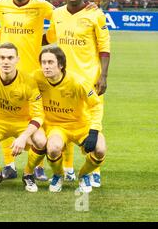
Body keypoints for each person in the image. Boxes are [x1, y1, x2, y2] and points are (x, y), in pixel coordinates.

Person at [0, 0, 54, 181]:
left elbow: (60, 19)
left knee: (36, 117)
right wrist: (1, 36)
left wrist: (44, 40)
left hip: (33, 72)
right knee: (6, 114)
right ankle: (9, 164)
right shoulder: (1, 5)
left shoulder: (41, 6)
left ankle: (38, 166)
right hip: (6, 71)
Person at [44, 0, 110, 187]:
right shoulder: (57, 14)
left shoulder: (95, 14)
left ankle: (95, 170)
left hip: (89, 79)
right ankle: (68, 168)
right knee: (64, 120)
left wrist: (103, 75)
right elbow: (48, 38)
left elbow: (104, 48)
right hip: (63, 80)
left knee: (91, 124)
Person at [0, 43, 47, 192]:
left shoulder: (28, 81)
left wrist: (23, 137)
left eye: (10, 58)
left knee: (41, 141)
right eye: (3, 57)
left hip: (23, 122)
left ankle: (28, 174)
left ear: (17, 59)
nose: (6, 61)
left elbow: (39, 115)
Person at [35, 46, 106, 193]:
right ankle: (58, 174)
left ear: (60, 65)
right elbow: (19, 81)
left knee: (100, 149)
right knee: (53, 148)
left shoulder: (78, 82)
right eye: (43, 62)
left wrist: (93, 131)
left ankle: (83, 175)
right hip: (56, 127)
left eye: (50, 62)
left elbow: (96, 106)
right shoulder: (37, 78)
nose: (46, 66)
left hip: (81, 125)